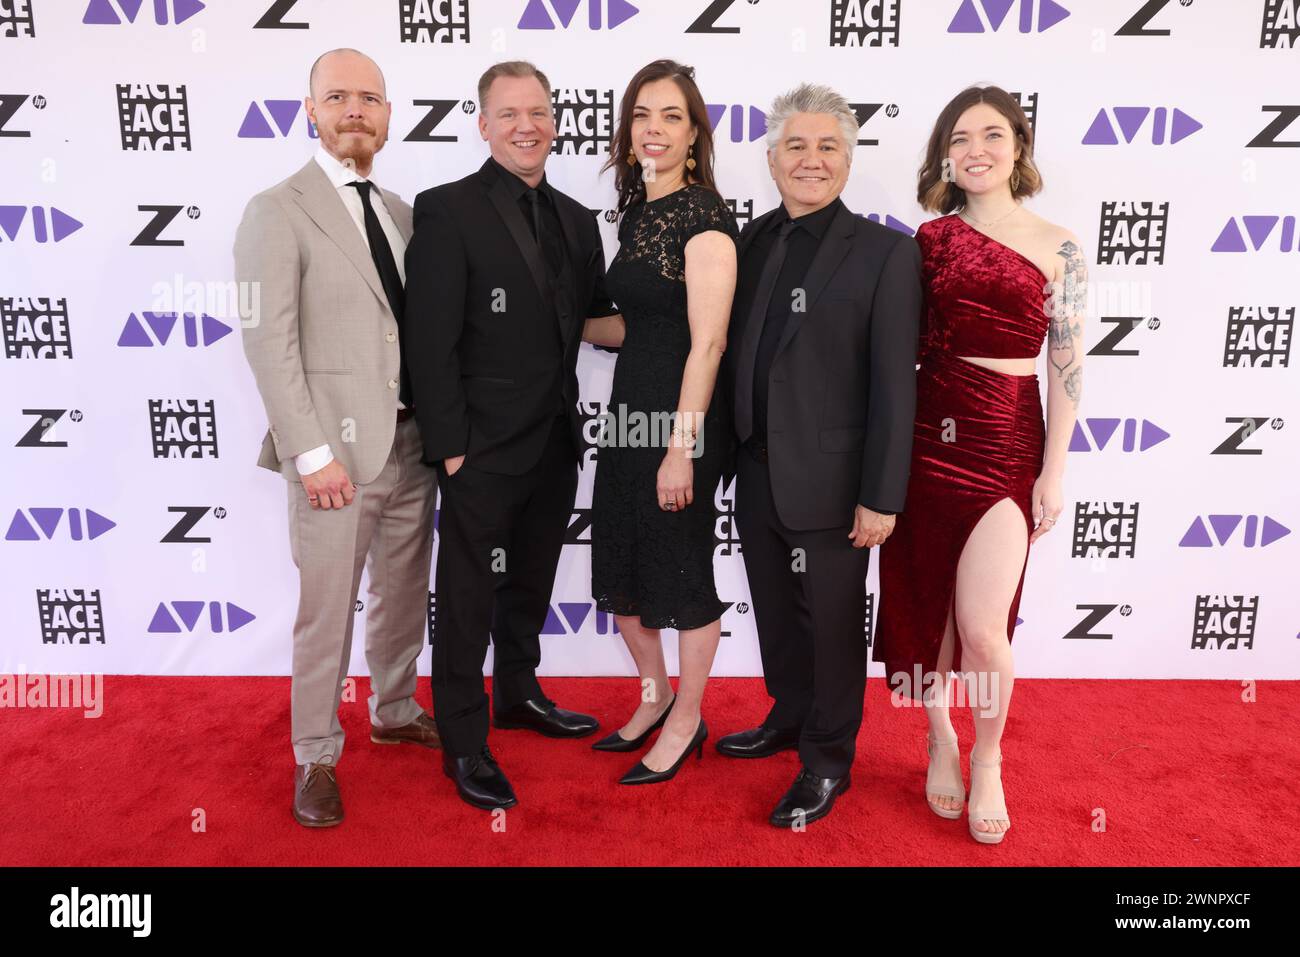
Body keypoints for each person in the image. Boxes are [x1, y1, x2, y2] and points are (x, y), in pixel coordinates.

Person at [404, 61, 621, 811]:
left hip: (557, 438)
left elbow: (598, 319)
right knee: (465, 596)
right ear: (484, 123)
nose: (527, 125)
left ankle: (518, 694)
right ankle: (464, 739)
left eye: (539, 111)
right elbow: (427, 343)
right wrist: (450, 446)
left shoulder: (576, 217)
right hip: (481, 446)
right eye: (509, 113)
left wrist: (679, 322)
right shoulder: (446, 210)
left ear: (555, 120)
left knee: (529, 581)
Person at [874, 85, 1086, 844]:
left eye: (991, 135)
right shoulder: (926, 243)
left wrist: (1053, 472)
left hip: (1007, 440)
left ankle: (988, 756)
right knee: (921, 609)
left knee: (983, 628)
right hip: (928, 434)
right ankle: (939, 736)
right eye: (959, 138)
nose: (975, 150)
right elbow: (896, 351)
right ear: (942, 155)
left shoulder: (1061, 244)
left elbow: (1066, 366)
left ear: (1019, 146)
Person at [235, 48, 440, 830]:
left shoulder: (402, 212)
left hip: (411, 447)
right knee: (327, 611)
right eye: (340, 97)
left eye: (372, 99)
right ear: (310, 110)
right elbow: (268, 340)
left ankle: (393, 708)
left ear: (387, 117)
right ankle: (315, 754)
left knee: (399, 598)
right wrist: (310, 452)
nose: (357, 110)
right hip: (332, 458)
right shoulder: (276, 208)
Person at [716, 83, 922, 827]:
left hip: (837, 486)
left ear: (849, 157)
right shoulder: (752, 240)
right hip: (757, 470)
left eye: (827, 146)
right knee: (777, 611)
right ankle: (790, 716)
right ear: (771, 159)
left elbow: (895, 385)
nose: (811, 160)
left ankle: (828, 759)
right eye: (796, 146)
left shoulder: (886, 255)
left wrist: (883, 495)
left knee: (833, 625)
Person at [584, 59, 738, 786]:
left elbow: (707, 341)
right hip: (625, 413)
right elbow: (641, 325)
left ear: (694, 132)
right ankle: (654, 696)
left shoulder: (703, 215)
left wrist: (681, 449)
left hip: (678, 421)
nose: (654, 128)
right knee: (620, 564)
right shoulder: (639, 210)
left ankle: (688, 716)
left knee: (678, 569)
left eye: (671, 116)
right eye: (643, 114)